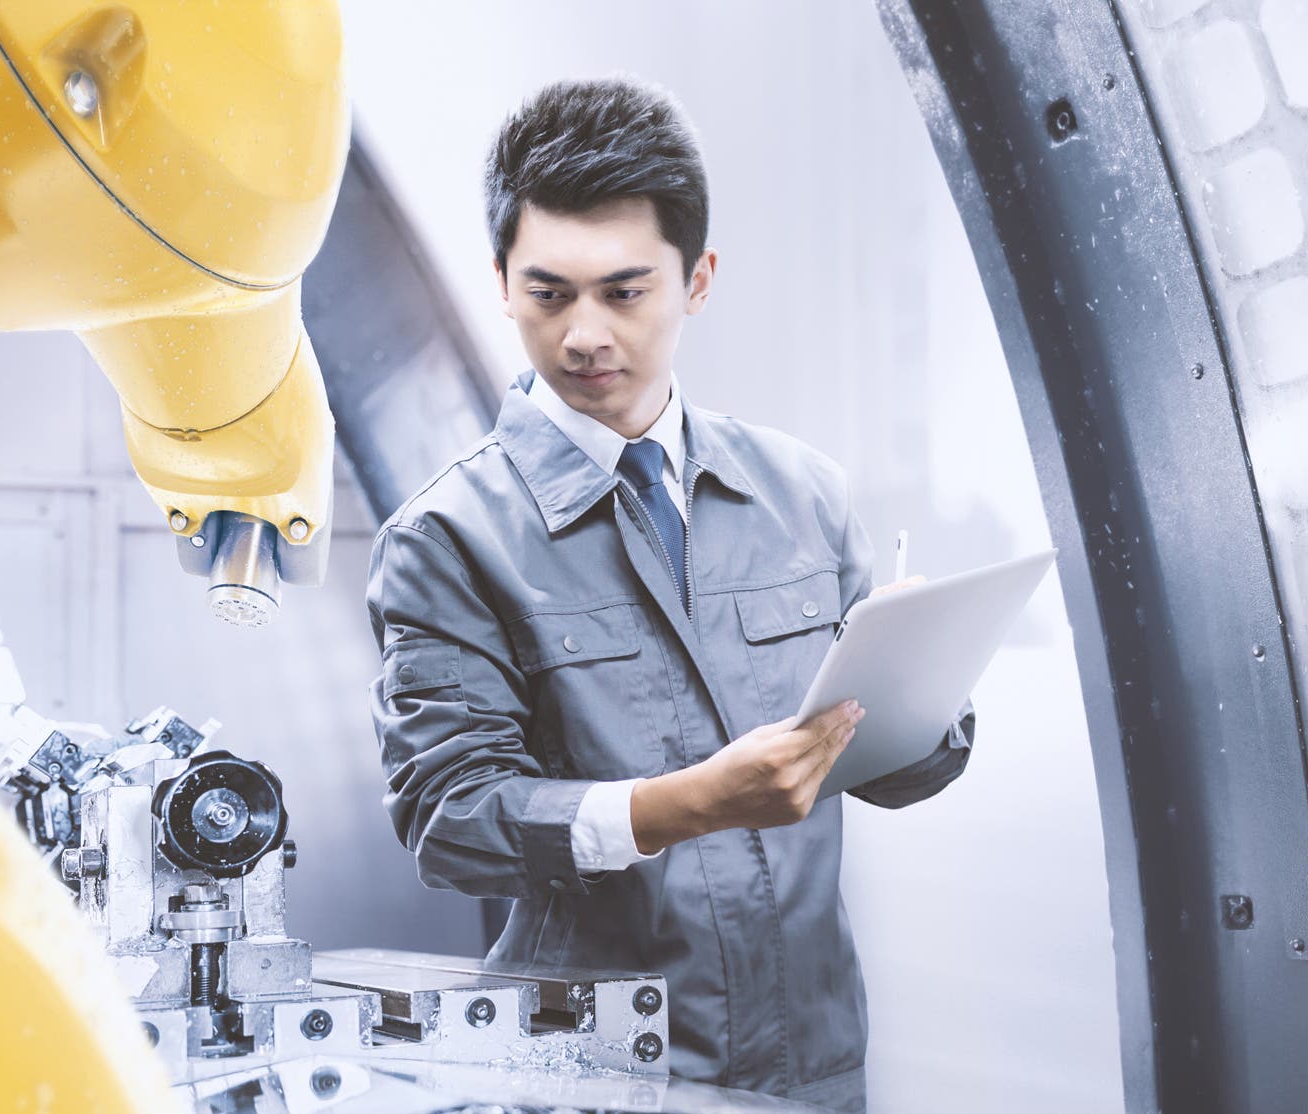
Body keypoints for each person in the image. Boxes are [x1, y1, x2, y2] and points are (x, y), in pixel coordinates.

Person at [364, 76, 972, 1111]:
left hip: (811, 1065)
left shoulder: (801, 495)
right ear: (501, 283)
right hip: (589, 1078)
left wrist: (924, 686)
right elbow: (451, 820)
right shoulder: (446, 538)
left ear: (697, 280)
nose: (586, 334)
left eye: (625, 290)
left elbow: (899, 769)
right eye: (549, 292)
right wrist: (680, 807)